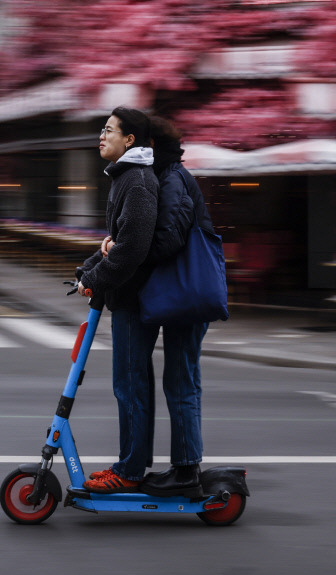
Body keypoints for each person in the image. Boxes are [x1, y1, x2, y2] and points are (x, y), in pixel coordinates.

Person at [98, 116, 214, 497]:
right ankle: (179, 467)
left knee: (181, 380)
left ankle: (185, 471)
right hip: (174, 292)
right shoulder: (161, 176)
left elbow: (167, 240)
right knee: (178, 380)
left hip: (186, 292)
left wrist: (123, 250)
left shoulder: (171, 178)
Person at [76, 107, 159, 493]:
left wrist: (95, 279)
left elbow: (131, 250)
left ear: (130, 140)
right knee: (131, 385)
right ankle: (132, 464)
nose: (101, 135)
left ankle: (129, 473)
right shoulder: (125, 178)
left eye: (109, 130)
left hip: (133, 301)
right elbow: (115, 243)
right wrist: (86, 270)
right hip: (127, 299)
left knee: (130, 387)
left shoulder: (137, 181)